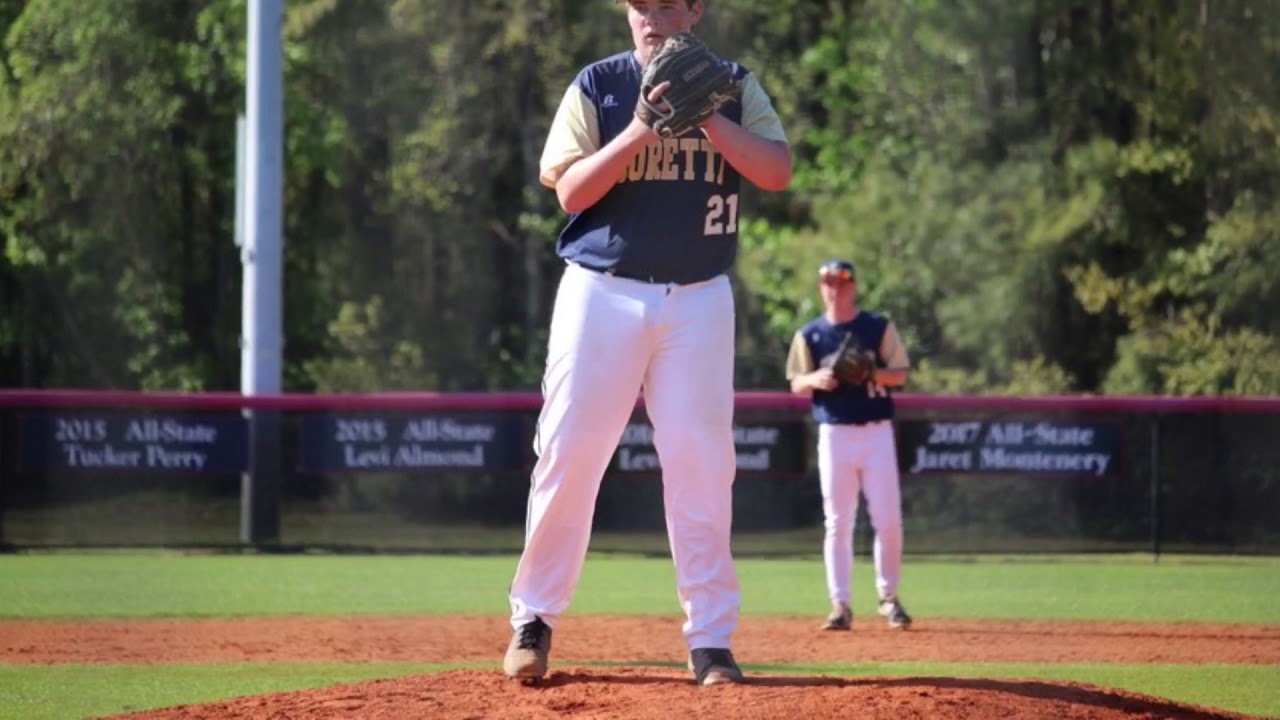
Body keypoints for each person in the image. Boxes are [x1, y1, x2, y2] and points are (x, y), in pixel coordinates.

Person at [502, 0, 792, 686]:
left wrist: (707, 117)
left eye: (670, 2)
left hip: (698, 296)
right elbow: (571, 193)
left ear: (697, 10)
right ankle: (533, 620)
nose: (653, 16)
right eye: (641, 4)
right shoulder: (599, 85)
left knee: (702, 463)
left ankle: (711, 640)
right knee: (569, 452)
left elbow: (776, 171)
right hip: (602, 289)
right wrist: (640, 127)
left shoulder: (733, 83)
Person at [785, 259, 914, 631]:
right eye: (827, 282)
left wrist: (871, 371)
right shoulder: (810, 335)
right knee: (838, 523)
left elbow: (901, 373)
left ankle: (889, 598)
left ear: (853, 286)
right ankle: (840, 606)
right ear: (820, 288)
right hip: (835, 433)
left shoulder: (876, 327)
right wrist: (816, 378)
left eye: (841, 282)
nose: (834, 288)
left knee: (888, 520)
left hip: (876, 431)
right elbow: (795, 382)